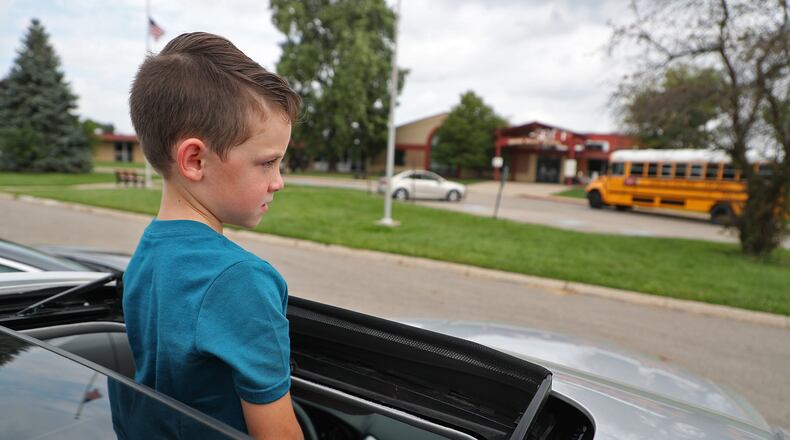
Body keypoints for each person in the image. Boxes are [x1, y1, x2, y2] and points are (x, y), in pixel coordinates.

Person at [121, 32, 303, 439]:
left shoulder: (147, 254)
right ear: (195, 159)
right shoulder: (240, 280)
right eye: (268, 163)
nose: (279, 182)